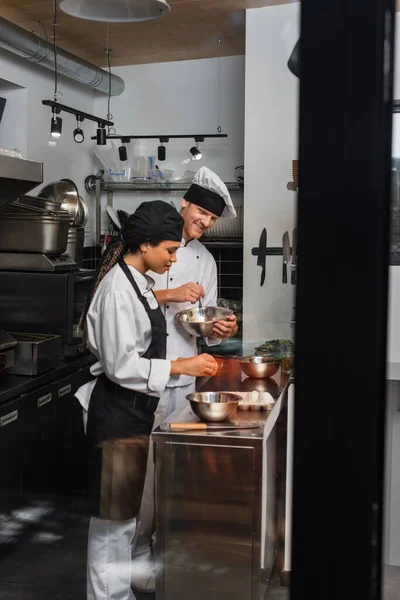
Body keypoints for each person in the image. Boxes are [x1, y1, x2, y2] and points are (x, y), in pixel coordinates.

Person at [74, 200, 218, 600]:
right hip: (115, 416)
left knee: (124, 520)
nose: (174, 258)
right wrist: (181, 366)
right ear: (145, 245)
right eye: (170, 250)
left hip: (132, 413)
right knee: (111, 527)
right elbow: (122, 365)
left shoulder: (139, 283)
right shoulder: (119, 291)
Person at [131, 167, 239, 593]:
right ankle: (137, 553)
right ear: (185, 204)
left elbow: (200, 323)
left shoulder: (206, 261)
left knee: (174, 474)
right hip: (141, 377)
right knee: (140, 477)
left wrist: (217, 329)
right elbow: (116, 300)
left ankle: (165, 554)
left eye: (213, 219)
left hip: (184, 378)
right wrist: (168, 295)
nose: (206, 223)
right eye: (202, 213)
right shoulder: (145, 244)